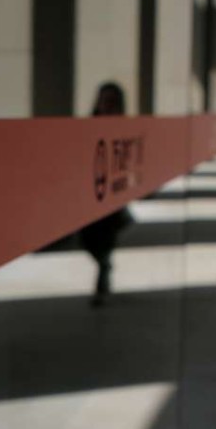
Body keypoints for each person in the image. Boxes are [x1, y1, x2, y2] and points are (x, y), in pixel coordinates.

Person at [80, 82, 133, 307]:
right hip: (90, 196)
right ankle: (104, 265)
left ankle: (102, 279)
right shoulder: (88, 126)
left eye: (112, 100)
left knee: (105, 239)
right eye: (105, 99)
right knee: (87, 239)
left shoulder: (124, 128)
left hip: (112, 198)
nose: (107, 104)